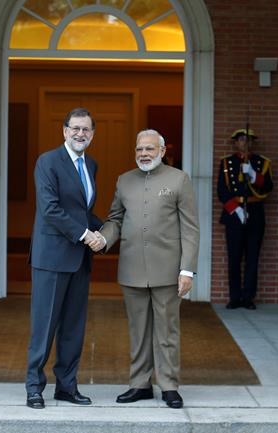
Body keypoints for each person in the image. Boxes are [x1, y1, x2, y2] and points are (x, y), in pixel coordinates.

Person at [88, 129, 199, 409]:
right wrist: (103, 239)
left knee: (167, 331)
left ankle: (169, 385)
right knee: (138, 331)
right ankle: (140, 384)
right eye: (139, 149)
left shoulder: (179, 179)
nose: (144, 154)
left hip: (168, 270)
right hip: (132, 268)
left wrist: (187, 270)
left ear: (162, 151)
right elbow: (115, 219)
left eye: (149, 148)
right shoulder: (124, 180)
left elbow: (190, 228)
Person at [25, 107, 103, 409]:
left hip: (79, 259)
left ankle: (66, 387)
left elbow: (82, 212)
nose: (80, 134)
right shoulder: (48, 161)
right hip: (52, 258)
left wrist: (107, 232)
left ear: (92, 134)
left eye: (86, 129)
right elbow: (50, 209)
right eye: (75, 128)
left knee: (73, 327)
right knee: (44, 326)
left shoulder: (91, 164)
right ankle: (34, 387)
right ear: (65, 131)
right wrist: (86, 235)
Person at [217, 128, 273, 310]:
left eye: (248, 139)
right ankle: (234, 297)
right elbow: (221, 190)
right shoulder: (227, 162)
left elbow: (268, 187)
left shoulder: (261, 163)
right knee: (234, 258)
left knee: (252, 258)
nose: (244, 142)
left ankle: (248, 297)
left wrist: (254, 175)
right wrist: (236, 209)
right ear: (235, 143)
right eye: (241, 139)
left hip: (255, 213)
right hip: (234, 215)